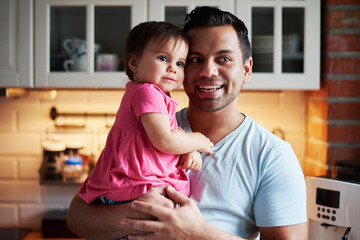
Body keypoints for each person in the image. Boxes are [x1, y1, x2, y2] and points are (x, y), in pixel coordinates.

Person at [67, 7, 307, 240]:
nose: (208, 71)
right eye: (195, 60)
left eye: (223, 58)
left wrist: (197, 234)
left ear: (246, 69)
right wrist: (137, 214)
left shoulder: (273, 155)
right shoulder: (147, 126)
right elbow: (78, 217)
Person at [78, 21, 213, 209]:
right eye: (163, 58)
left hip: (137, 187)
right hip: (134, 187)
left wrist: (187, 148)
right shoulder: (147, 92)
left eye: (180, 63)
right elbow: (164, 140)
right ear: (134, 62)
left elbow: (169, 132)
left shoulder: (153, 94)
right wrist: (198, 140)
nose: (173, 68)